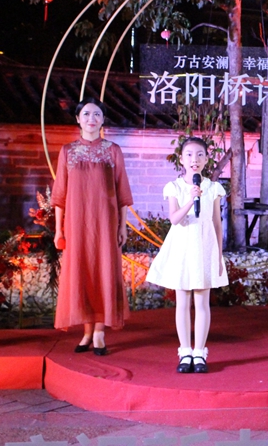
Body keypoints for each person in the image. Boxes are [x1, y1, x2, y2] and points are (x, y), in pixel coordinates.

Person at [52, 97, 133, 356]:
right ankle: (86, 331)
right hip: (76, 224)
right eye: (86, 114)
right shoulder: (67, 151)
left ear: (102, 119)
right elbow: (59, 194)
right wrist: (59, 229)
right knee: (82, 272)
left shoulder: (112, 150)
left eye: (96, 114)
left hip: (105, 223)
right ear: (78, 119)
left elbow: (122, 192)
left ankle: (99, 331)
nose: (91, 119)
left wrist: (123, 226)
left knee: (103, 271)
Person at [147, 137, 227, 374]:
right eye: (189, 154)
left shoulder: (212, 188)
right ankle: (184, 352)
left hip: (204, 247)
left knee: (202, 303)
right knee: (182, 303)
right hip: (182, 248)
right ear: (181, 159)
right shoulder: (174, 187)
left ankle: (199, 352)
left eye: (200, 154)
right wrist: (192, 200)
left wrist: (219, 255)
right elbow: (174, 219)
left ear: (207, 159)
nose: (195, 159)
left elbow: (216, 223)